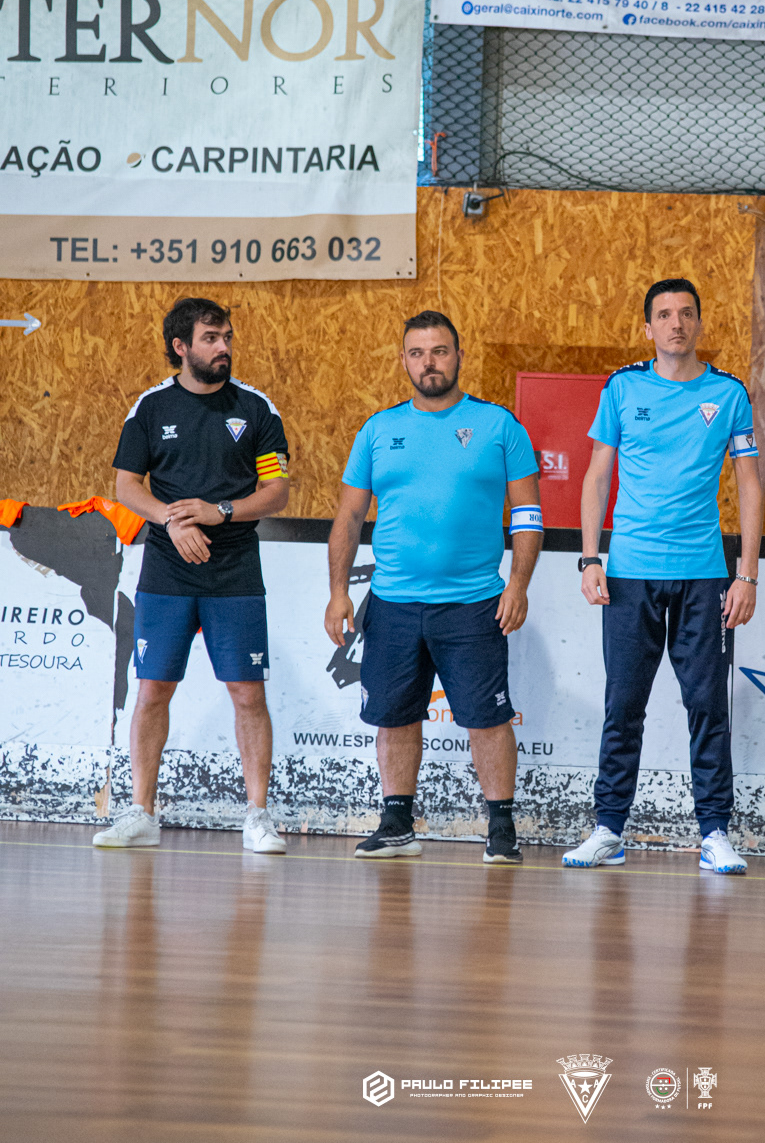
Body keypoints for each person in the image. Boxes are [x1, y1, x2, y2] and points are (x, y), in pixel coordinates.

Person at [324, 310, 543, 864]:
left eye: (440, 351)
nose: (429, 363)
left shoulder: (499, 426)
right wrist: (338, 592)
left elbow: (528, 515)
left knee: (488, 718)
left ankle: (502, 831)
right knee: (394, 716)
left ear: (459, 356)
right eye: (418, 353)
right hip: (392, 604)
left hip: (473, 605)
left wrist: (518, 584)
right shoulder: (377, 430)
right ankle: (397, 825)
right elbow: (349, 518)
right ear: (404, 360)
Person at [564, 278, 762, 874]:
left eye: (686, 313)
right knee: (623, 705)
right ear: (648, 327)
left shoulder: (728, 394)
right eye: (665, 315)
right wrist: (590, 558)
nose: (676, 323)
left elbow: (749, 485)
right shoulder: (622, 387)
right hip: (630, 575)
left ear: (699, 322)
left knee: (707, 706)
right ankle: (608, 829)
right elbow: (597, 475)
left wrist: (747, 574)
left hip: (704, 576)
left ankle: (715, 833)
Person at [93, 297, 291, 853]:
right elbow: (126, 486)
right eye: (210, 338)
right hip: (166, 570)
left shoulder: (255, 408)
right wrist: (172, 520)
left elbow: (276, 492)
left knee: (247, 691)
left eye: (226, 336)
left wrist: (219, 511)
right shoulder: (151, 406)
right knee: (153, 687)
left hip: (235, 570)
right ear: (180, 346)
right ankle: (141, 813)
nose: (223, 347)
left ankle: (257, 816)